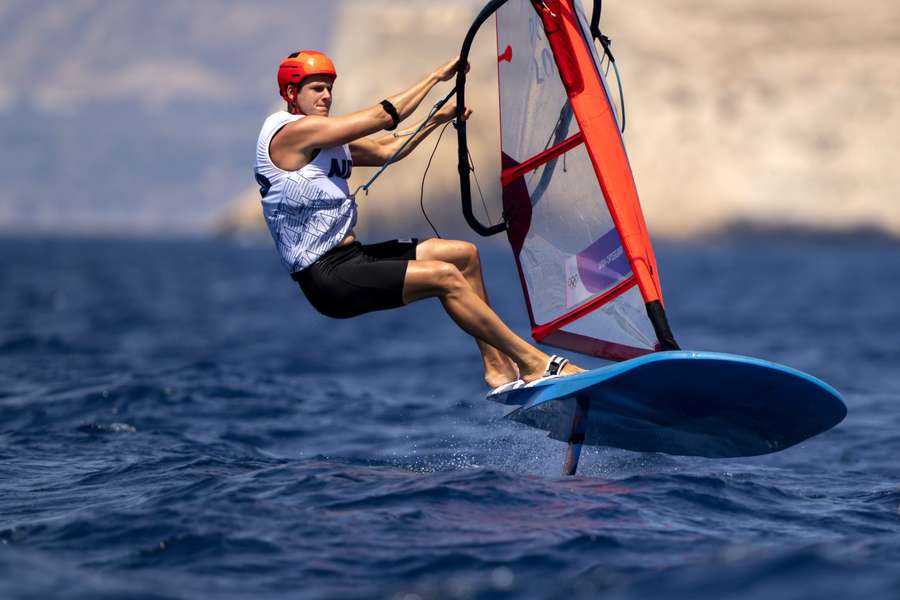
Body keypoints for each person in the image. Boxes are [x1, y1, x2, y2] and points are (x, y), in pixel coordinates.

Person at [253, 49, 583, 393]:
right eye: (316, 89)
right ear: (292, 94)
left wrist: (434, 120)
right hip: (328, 277)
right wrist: (435, 77)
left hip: (352, 258)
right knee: (445, 278)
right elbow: (384, 117)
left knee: (463, 255)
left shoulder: (323, 141)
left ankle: (497, 367)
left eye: (329, 88)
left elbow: (384, 149)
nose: (326, 96)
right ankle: (535, 363)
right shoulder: (291, 134)